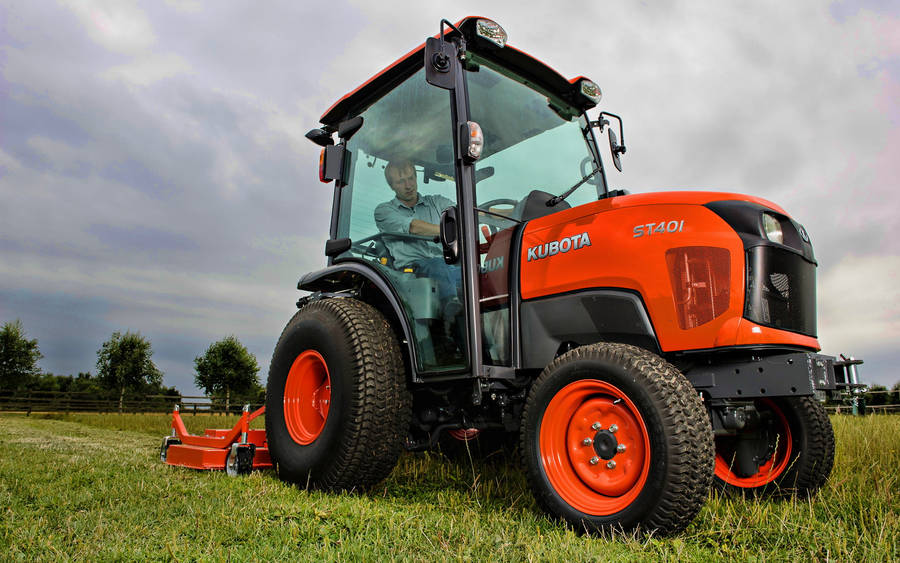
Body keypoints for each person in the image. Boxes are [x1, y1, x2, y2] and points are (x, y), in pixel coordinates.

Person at [373, 160, 461, 303]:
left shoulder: (436, 202)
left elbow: (466, 214)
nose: (408, 185)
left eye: (411, 178)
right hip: (412, 272)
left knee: (479, 272)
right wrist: (448, 231)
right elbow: (414, 227)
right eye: (401, 182)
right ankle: (453, 310)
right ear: (392, 186)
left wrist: (505, 213)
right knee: (436, 265)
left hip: (447, 268)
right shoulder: (384, 211)